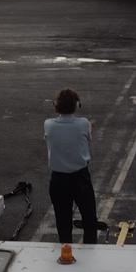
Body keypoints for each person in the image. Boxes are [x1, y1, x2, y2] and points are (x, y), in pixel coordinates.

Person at [44, 88, 98, 244]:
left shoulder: (48, 124)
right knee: (89, 219)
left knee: (63, 222)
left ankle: (66, 254)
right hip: (80, 178)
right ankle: (91, 251)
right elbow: (84, 134)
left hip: (58, 179)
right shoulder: (84, 123)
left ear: (56, 106)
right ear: (76, 105)